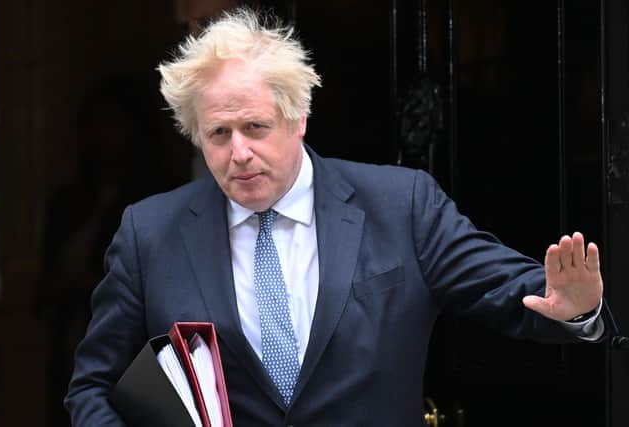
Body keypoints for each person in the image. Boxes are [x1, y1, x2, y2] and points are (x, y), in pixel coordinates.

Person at [65, 8, 605, 426]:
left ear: (297, 118)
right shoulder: (150, 233)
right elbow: (93, 386)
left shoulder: (401, 205)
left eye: (255, 127)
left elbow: (510, 291)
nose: (239, 153)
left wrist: (574, 309)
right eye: (218, 134)